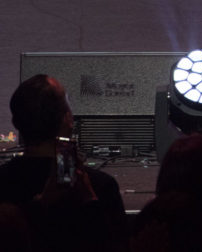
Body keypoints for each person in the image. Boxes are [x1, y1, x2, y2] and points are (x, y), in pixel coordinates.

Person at [0, 74, 128, 251]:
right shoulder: (100, 187)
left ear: (16, 122)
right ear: (68, 120)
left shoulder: (4, 182)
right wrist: (91, 202)